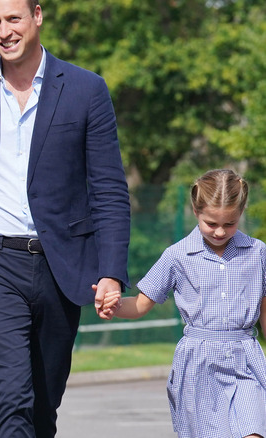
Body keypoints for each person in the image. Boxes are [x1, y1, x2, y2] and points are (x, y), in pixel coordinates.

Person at [0, 0, 131, 436]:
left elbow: (108, 189)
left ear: (38, 15)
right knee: (12, 397)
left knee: (42, 408)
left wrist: (111, 272)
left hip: (60, 266)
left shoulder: (86, 89)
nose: (3, 31)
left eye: (13, 19)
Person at [99, 169, 266, 438]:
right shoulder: (177, 256)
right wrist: (113, 305)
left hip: (246, 358)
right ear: (195, 211)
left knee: (254, 431)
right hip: (199, 364)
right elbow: (141, 305)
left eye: (230, 223)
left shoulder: (258, 252)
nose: (220, 231)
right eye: (211, 223)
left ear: (241, 212)